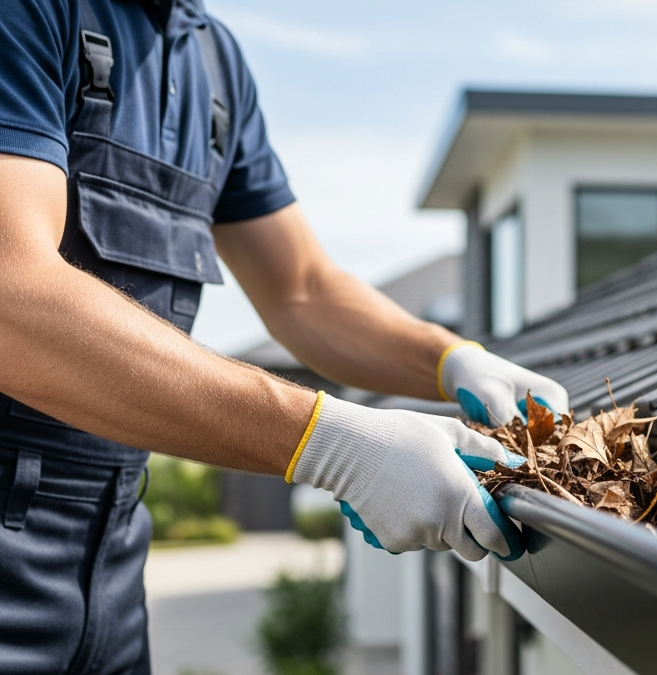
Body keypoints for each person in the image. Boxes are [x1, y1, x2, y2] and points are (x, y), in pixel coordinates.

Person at [0, 0, 569, 672]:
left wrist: (452, 360)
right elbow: (14, 297)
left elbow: (303, 288)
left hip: (115, 549)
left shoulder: (216, 64)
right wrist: (331, 443)